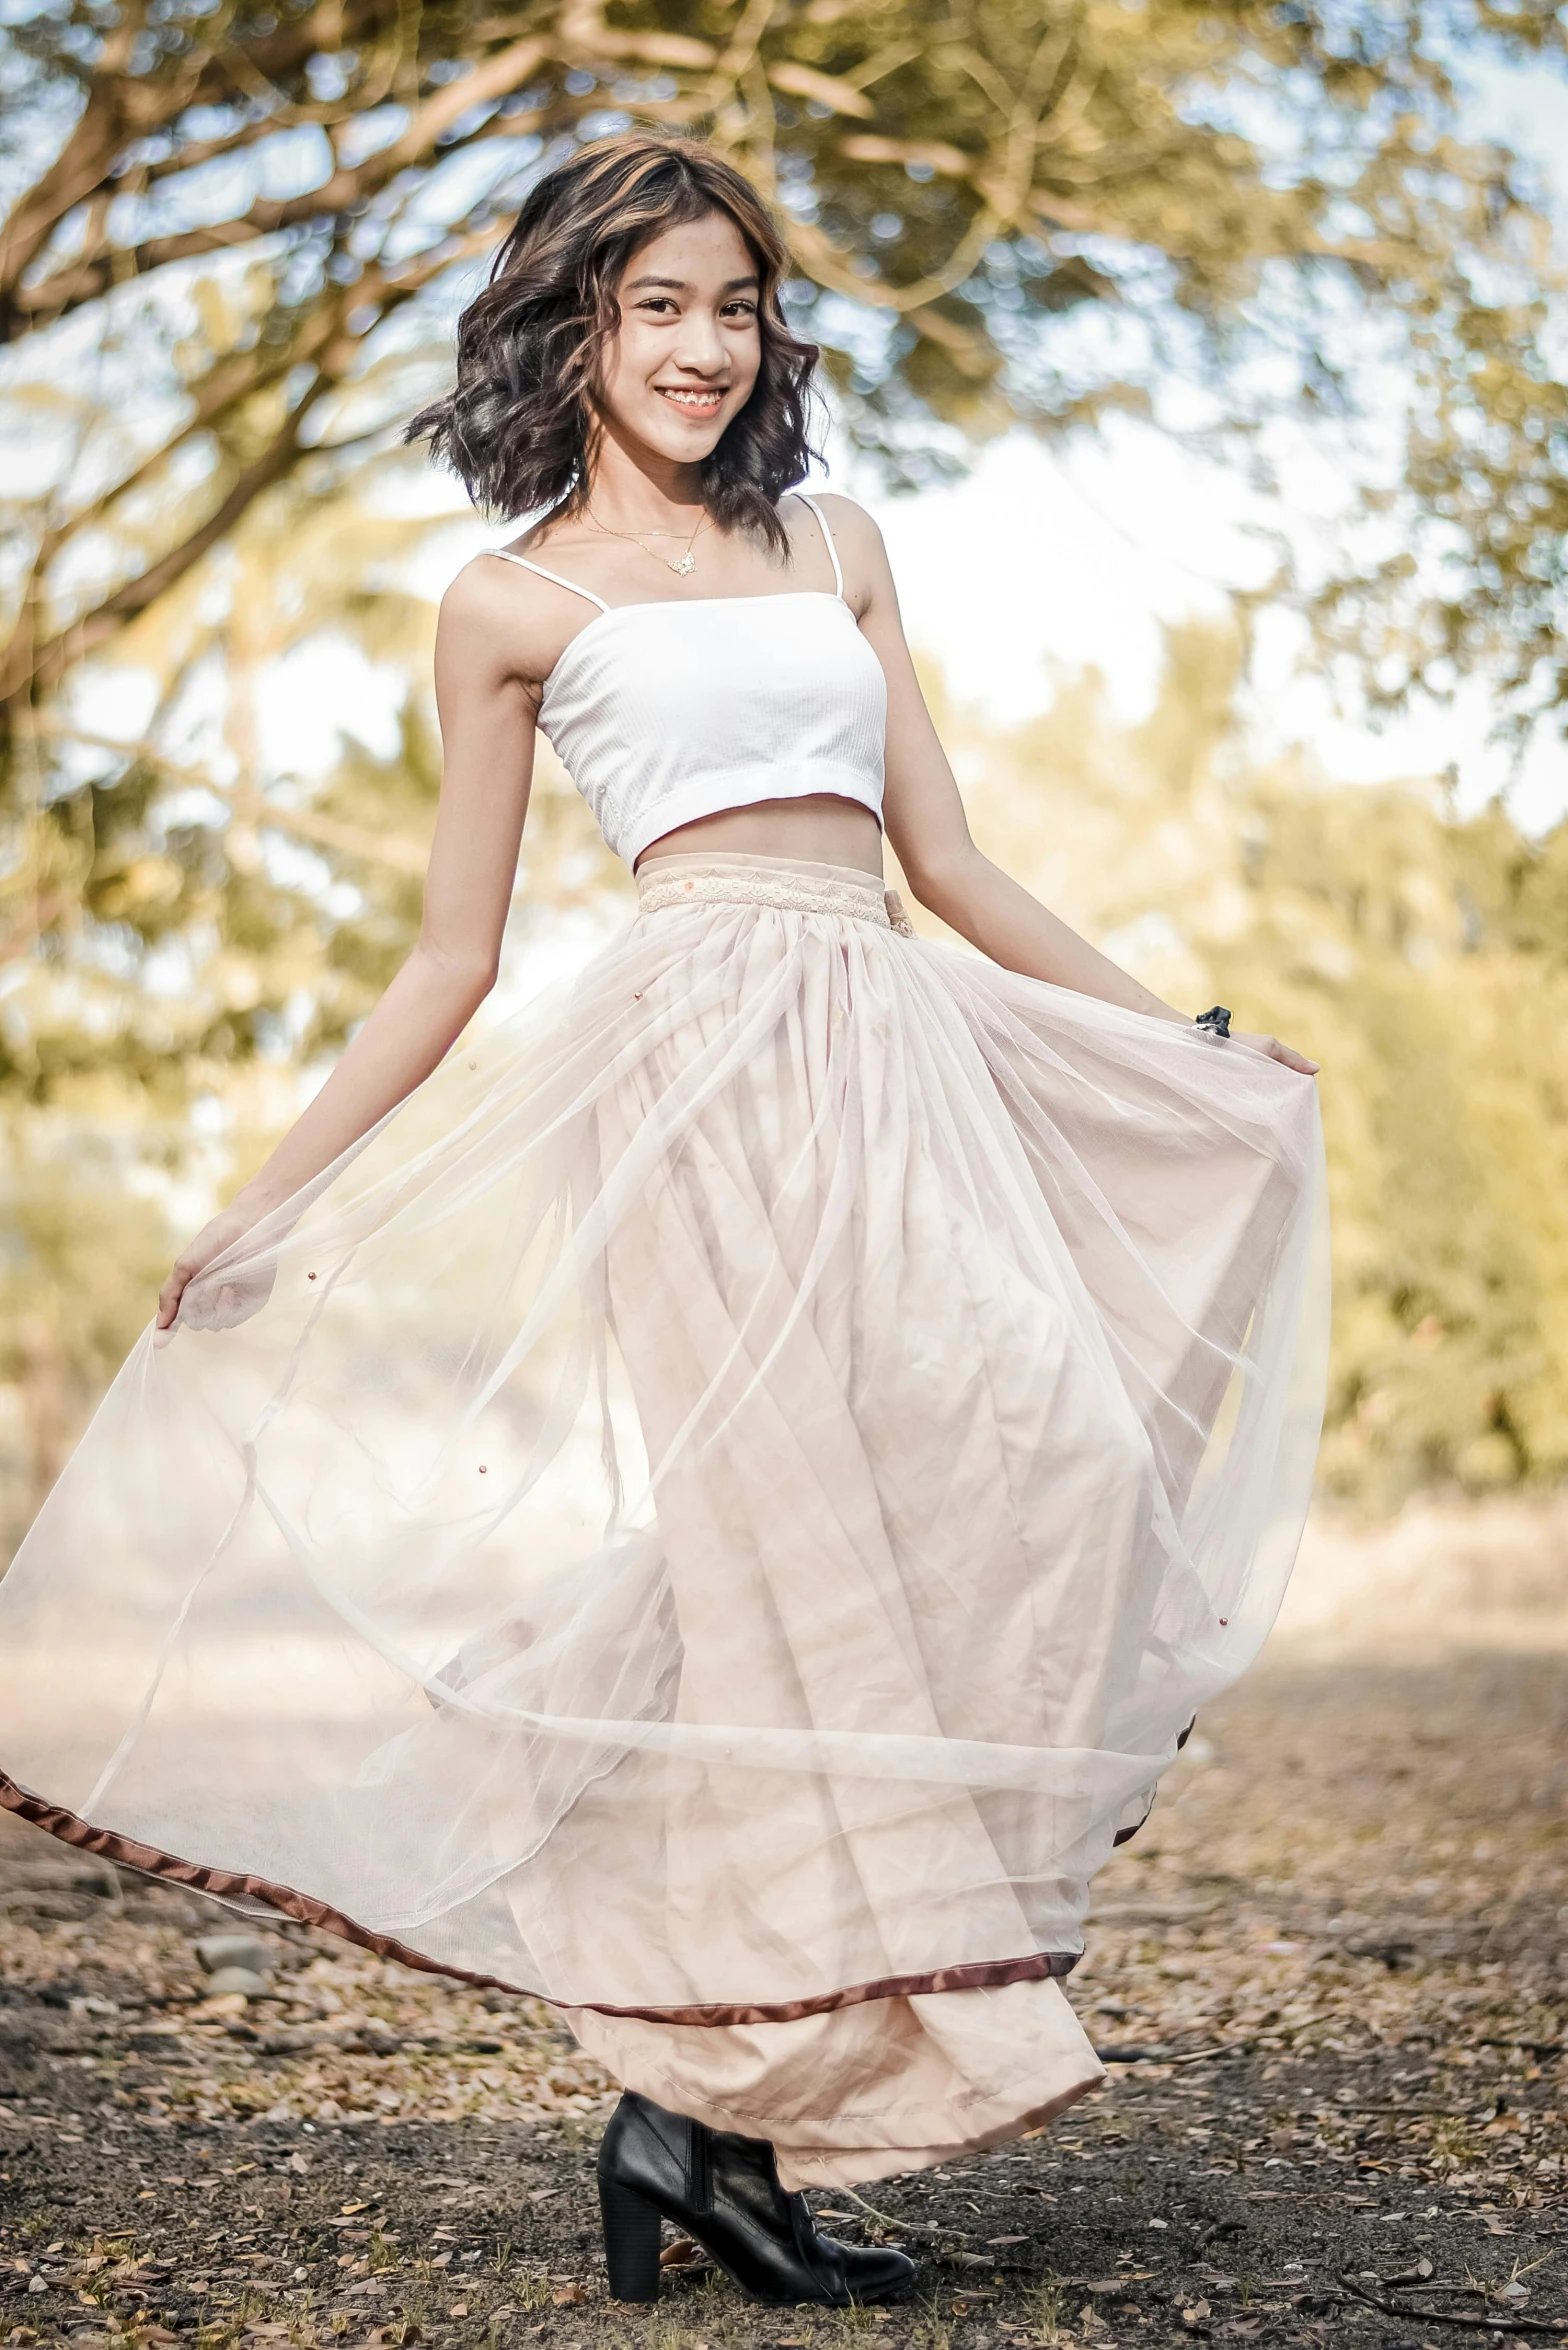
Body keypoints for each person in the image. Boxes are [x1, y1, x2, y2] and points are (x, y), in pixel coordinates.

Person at [0, 134, 1328, 2308]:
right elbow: (444, 963)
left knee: (1040, 1473)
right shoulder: (513, 603)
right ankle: (719, 2131)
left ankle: (686, 2105)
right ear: (576, 334)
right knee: (785, 1590)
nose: (703, 345)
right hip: (696, 1101)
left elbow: (952, 869)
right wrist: (265, 1200)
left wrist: (1184, 1032)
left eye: (732, 304)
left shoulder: (836, 541)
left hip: (898, 1062)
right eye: (655, 311)